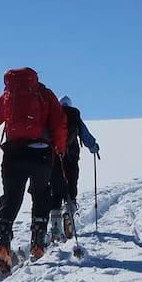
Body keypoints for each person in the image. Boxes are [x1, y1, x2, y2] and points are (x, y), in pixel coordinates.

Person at [0, 67, 66, 269]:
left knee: (11, 197)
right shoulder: (45, 94)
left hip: (13, 154)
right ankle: (37, 244)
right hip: (41, 154)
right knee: (41, 194)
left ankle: (2, 244)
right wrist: (60, 149)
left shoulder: (8, 95)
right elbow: (59, 123)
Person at [56, 95, 99, 239]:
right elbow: (85, 135)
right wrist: (93, 147)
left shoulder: (54, 115)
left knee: (55, 190)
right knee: (71, 186)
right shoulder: (75, 116)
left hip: (55, 158)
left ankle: (54, 223)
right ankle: (69, 212)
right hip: (72, 157)